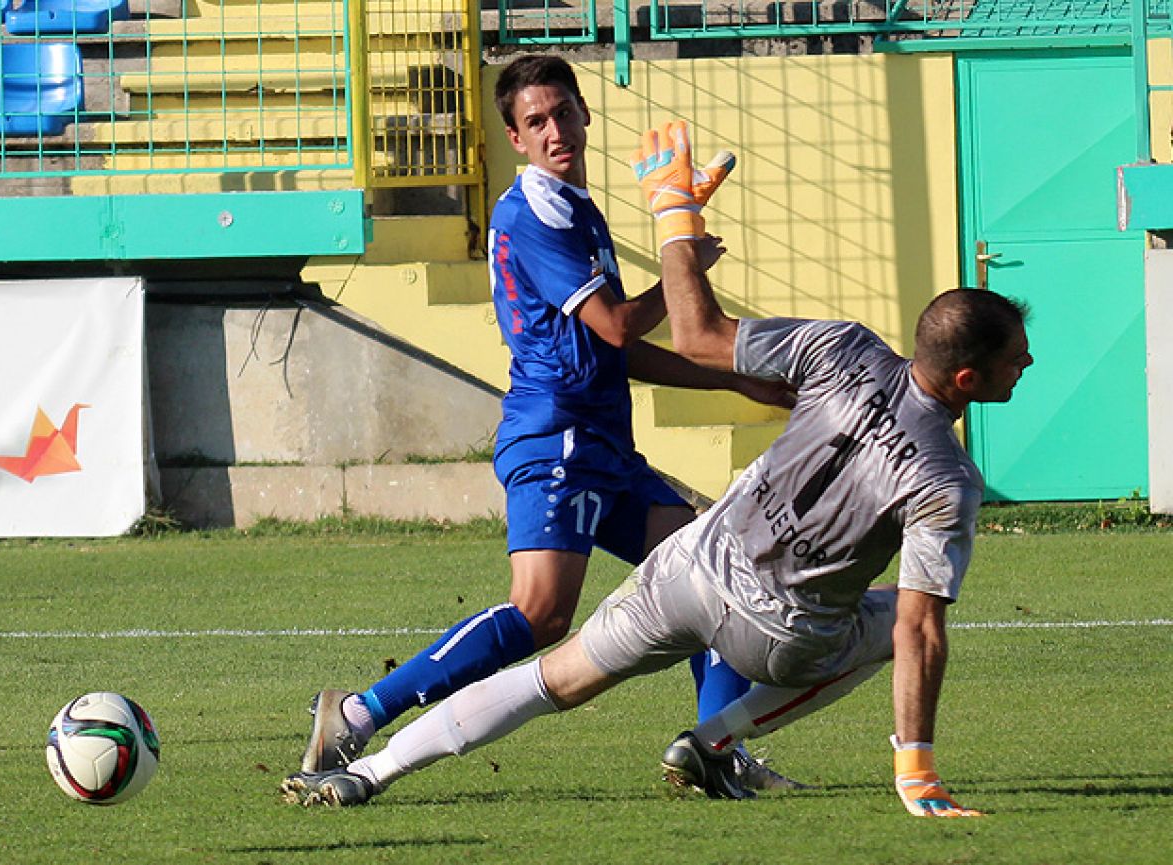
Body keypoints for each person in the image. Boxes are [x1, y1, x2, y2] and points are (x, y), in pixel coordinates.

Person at [278, 119, 1033, 817]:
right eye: (1012, 356)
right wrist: (917, 768)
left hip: (687, 571)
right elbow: (921, 626)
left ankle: (367, 771)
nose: (1026, 361)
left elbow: (699, 335)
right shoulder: (945, 478)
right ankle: (715, 742)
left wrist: (676, 217)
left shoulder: (840, 347)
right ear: (966, 380)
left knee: (550, 679)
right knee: (893, 625)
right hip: (772, 629)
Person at [281, 58, 799, 799]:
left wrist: (733, 379)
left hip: (601, 444)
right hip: (556, 438)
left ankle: (716, 750)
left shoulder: (574, 206)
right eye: (536, 121)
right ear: (515, 138)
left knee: (717, 570)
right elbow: (618, 327)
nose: (554, 130)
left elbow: (610, 347)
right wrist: (678, 244)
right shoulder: (533, 215)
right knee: (540, 613)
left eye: (563, 112)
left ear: (586, 116)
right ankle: (359, 712)